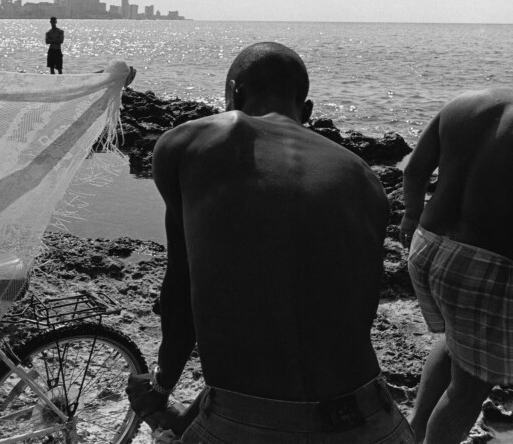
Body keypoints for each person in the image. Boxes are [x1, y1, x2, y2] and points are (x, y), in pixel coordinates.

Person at [128, 42, 412, 442]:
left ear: (234, 94)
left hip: (247, 425)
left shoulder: (192, 144)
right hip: (375, 418)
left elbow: (181, 293)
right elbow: (327, 327)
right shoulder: (363, 178)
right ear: (307, 111)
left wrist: (159, 389)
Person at [401, 88, 513, 444]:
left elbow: (414, 171)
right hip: (483, 267)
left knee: (454, 342)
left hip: (427, 246)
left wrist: (409, 217)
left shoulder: (466, 102)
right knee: (469, 389)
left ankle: (414, 431)